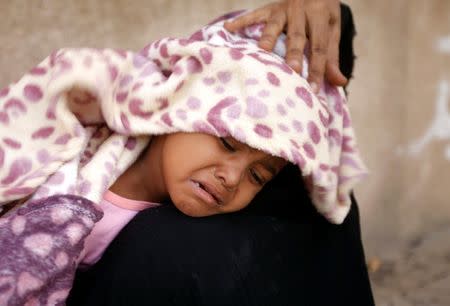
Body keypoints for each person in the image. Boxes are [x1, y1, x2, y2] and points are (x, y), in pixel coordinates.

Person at [0, 1, 366, 305]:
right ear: (181, 108)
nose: (233, 177)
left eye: (258, 176)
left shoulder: (186, 227)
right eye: (226, 142)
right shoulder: (77, 164)